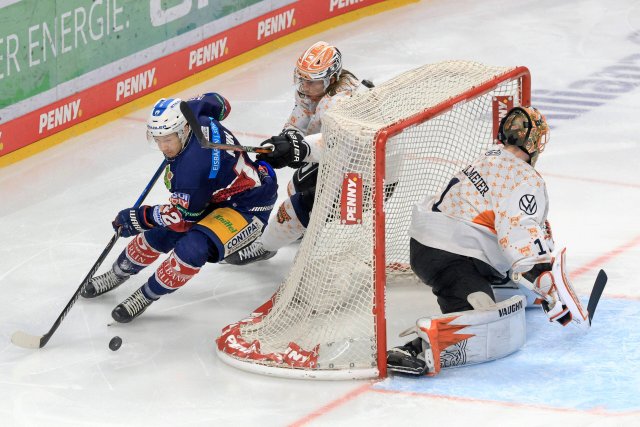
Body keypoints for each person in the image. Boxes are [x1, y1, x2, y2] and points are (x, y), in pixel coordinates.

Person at [387, 106, 587, 376]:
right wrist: (547, 284)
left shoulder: (489, 156)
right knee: (492, 323)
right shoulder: (525, 178)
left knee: (514, 291)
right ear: (534, 143)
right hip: (453, 256)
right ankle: (416, 347)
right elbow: (517, 231)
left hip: (427, 246)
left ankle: (503, 287)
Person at [81, 93, 278, 323]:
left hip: (247, 206)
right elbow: (222, 104)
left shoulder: (193, 169)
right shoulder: (191, 110)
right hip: (213, 193)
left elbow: (180, 218)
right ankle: (117, 274)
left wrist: (137, 218)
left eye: (168, 139)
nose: (163, 147)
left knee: (192, 248)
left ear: (184, 130)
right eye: (158, 139)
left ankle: (145, 296)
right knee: (159, 234)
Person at [224, 40, 371, 265]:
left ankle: (265, 246)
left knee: (296, 208)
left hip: (365, 171)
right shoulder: (314, 92)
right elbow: (298, 123)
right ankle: (303, 226)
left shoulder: (341, 103)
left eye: (311, 82)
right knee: (297, 185)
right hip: (342, 155)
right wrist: (283, 143)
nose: (304, 87)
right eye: (301, 80)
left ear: (330, 79)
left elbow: (338, 145)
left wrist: (297, 150)